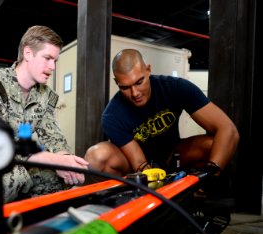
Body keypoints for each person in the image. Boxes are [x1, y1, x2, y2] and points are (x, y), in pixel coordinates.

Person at [0, 25, 89, 211]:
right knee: (13, 177)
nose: (52, 67)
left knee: (53, 177)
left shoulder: (45, 95)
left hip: (18, 158)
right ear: (28, 53)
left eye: (55, 60)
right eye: (48, 58)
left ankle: (28, 221)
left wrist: (66, 159)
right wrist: (53, 159)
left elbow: (53, 136)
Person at [84, 48, 239, 182]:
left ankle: (198, 190)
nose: (135, 93)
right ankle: (127, 201)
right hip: (134, 165)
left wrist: (211, 173)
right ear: (116, 82)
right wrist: (148, 175)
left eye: (139, 82)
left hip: (174, 154)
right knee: (96, 157)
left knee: (217, 145)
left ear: (148, 70)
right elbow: (139, 162)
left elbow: (228, 129)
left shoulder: (176, 88)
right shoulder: (112, 115)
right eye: (125, 87)